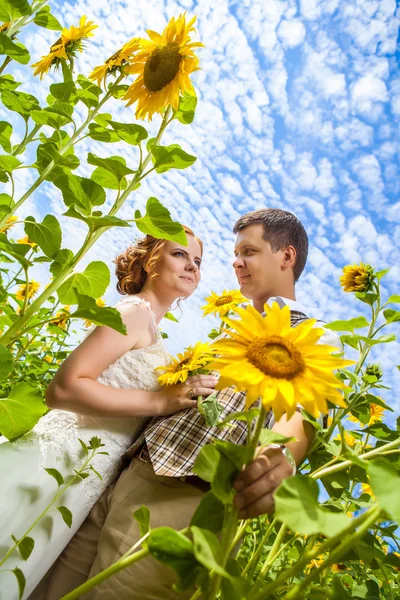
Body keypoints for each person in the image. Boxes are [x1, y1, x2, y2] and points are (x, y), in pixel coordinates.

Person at [37, 208, 342, 600]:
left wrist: (280, 454)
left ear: (286, 256)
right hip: (128, 473)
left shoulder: (314, 335)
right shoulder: (231, 333)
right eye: (235, 253)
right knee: (50, 590)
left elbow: (303, 411)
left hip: (184, 496)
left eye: (249, 251)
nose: (236, 261)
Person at [0, 226, 216, 600]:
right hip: (58, 459)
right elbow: (65, 387)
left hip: (85, 476)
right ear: (150, 260)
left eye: (197, 261)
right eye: (180, 254)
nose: (192, 266)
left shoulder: (154, 332)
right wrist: (161, 403)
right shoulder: (134, 311)